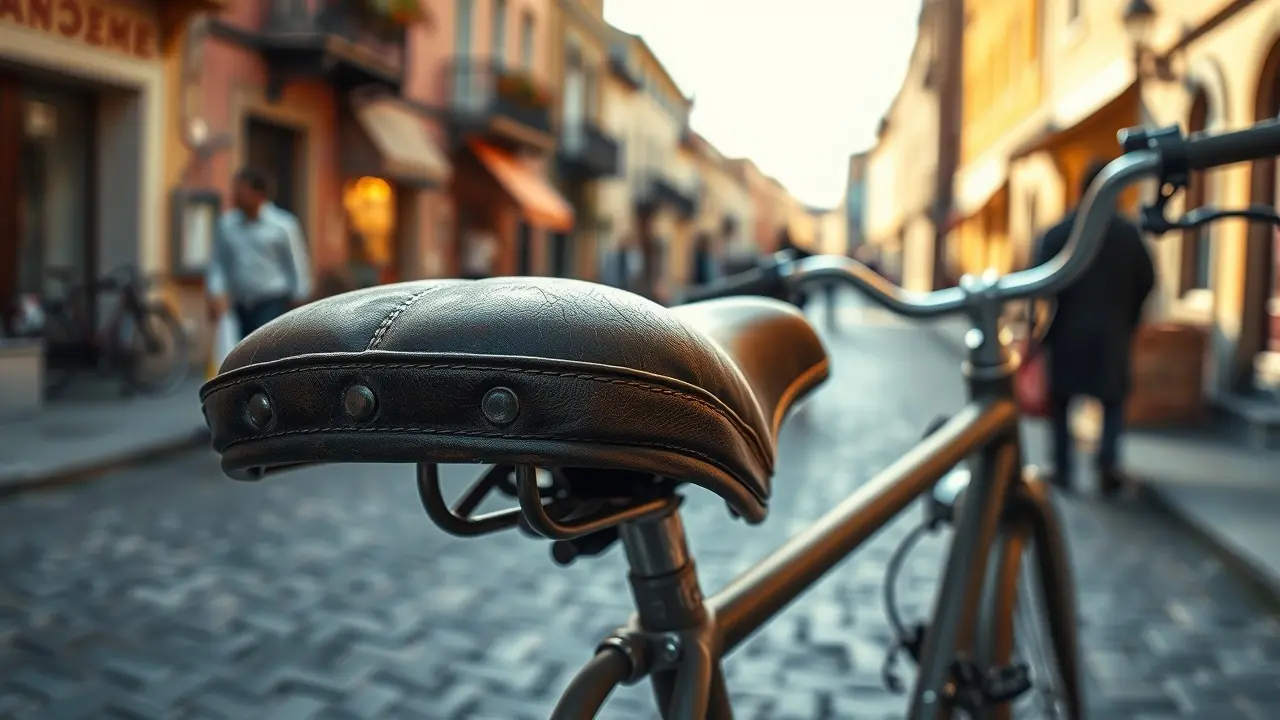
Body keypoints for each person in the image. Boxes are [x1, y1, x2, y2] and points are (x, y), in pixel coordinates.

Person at [1033, 158, 1155, 496]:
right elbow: (1148, 279)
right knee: (1111, 402)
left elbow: (1036, 285)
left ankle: (1063, 468)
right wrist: (1129, 317)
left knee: (1062, 403)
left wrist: (1036, 327)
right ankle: (1107, 466)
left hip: (1067, 331)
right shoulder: (1127, 234)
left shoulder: (1059, 232)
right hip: (1112, 333)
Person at [207, 168, 312, 336]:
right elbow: (219, 263)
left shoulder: (283, 225)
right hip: (240, 304)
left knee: (264, 351)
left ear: (259, 194)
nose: (236, 196)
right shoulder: (227, 225)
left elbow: (297, 262)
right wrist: (215, 292)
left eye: (242, 191)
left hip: (272, 303)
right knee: (242, 354)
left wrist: (300, 299)